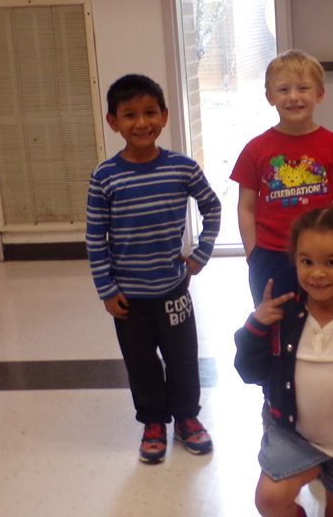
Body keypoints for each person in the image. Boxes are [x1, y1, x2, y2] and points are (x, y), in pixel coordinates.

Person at [86, 74, 221, 463]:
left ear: (164, 116)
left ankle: (187, 418)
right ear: (113, 122)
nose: (141, 122)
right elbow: (95, 238)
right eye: (129, 115)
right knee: (141, 364)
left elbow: (212, 207)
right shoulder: (104, 177)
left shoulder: (183, 168)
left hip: (173, 290)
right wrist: (107, 290)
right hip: (129, 298)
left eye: (149, 112)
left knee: (183, 359)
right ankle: (153, 423)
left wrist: (201, 254)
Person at [234, 208, 333, 517]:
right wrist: (256, 326)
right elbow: (249, 372)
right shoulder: (282, 316)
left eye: (331, 262)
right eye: (306, 261)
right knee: (269, 499)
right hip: (294, 437)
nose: (317, 273)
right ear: (294, 261)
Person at [231, 50, 333, 306]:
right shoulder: (254, 149)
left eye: (303, 88)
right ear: (270, 96)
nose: (293, 97)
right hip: (270, 255)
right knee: (273, 318)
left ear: (320, 94)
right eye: (283, 90)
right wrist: (253, 254)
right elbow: (245, 207)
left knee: (321, 314)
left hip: (321, 254)